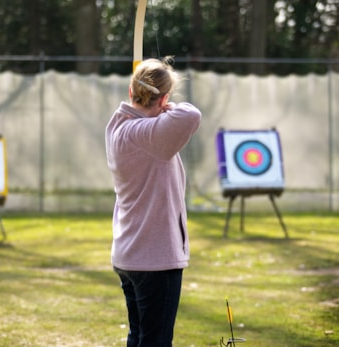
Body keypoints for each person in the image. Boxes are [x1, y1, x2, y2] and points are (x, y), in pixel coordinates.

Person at [105, 57, 202, 347]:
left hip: (129, 254)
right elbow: (191, 115)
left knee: (139, 338)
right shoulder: (148, 135)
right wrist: (166, 108)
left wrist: (154, 104)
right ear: (164, 98)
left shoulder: (118, 127)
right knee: (156, 341)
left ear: (130, 91)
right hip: (154, 259)